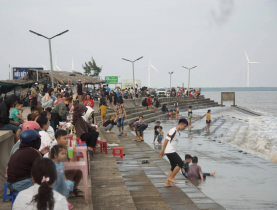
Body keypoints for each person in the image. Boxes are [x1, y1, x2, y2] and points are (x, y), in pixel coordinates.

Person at [159, 118, 188, 187]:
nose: (184, 128)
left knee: (173, 166)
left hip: (171, 150)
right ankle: (171, 177)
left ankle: (167, 183)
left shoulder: (178, 132)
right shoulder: (173, 130)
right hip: (170, 150)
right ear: (181, 124)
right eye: (184, 126)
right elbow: (166, 140)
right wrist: (162, 151)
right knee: (180, 163)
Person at [55, 130, 84, 198]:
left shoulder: (67, 148)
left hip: (66, 169)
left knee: (79, 170)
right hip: (58, 171)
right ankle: (69, 189)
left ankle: (74, 188)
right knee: (72, 170)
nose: (67, 140)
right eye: (64, 138)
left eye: (67, 138)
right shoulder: (55, 149)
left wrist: (73, 152)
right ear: (58, 140)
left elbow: (74, 161)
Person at [72, 93, 99, 157]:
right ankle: (90, 147)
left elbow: (88, 126)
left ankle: (90, 146)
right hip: (81, 135)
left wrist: (95, 128)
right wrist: (74, 99)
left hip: (84, 134)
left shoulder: (81, 118)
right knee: (95, 134)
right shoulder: (76, 118)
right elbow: (75, 109)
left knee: (94, 132)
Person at [50, 145, 74, 209]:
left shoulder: (61, 164)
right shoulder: (51, 163)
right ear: (55, 155)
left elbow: (63, 174)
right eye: (62, 154)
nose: (64, 155)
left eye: (65, 154)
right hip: (54, 183)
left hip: (61, 181)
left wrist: (65, 181)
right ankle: (63, 201)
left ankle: (65, 199)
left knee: (69, 183)